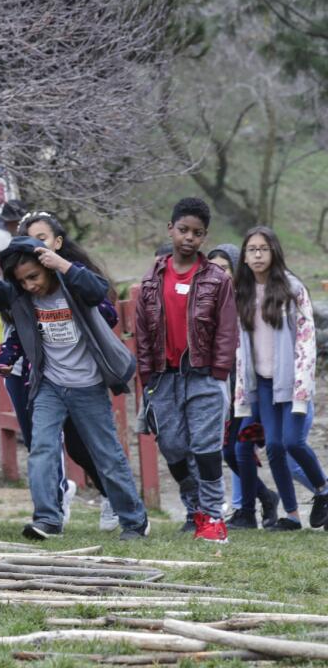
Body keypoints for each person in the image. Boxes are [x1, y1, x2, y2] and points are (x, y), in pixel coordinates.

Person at [0, 237, 149, 541]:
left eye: (34, 277)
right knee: (42, 449)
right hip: (48, 384)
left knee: (106, 454)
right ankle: (48, 519)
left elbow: (99, 291)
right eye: (23, 280)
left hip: (88, 385)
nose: (30, 285)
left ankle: (134, 520)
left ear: (48, 268)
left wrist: (63, 265)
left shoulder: (73, 283)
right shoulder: (21, 296)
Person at [6, 212, 119, 531]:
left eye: (42, 238)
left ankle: (116, 498)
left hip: (84, 378)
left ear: (57, 242)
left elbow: (107, 313)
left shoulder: (77, 276)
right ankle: (49, 512)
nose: (35, 244)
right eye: (29, 238)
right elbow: (12, 321)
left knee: (83, 446)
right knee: (41, 444)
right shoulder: (24, 279)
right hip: (42, 377)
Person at [134, 197, 237, 544]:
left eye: (197, 233)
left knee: (206, 447)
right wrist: (147, 376)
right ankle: (195, 505)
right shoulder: (151, 280)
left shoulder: (217, 279)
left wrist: (219, 373)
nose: (189, 238)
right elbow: (143, 333)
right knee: (174, 446)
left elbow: (227, 329)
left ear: (204, 237)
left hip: (204, 375)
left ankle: (212, 518)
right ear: (171, 229)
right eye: (183, 230)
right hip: (164, 378)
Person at [231, 226, 328, 531]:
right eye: (252, 249)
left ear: (274, 253)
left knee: (292, 441)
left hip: (292, 381)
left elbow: (306, 340)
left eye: (263, 249)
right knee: (273, 446)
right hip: (262, 383)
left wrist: (301, 388)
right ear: (244, 257)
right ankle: (292, 515)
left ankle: (324, 491)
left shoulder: (292, 289)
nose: (258, 255)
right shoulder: (241, 292)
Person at [207, 244, 281, 530]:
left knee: (243, 447)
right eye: (212, 269)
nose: (218, 274)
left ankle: (249, 510)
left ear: (237, 270)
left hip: (252, 389)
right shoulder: (211, 302)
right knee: (229, 451)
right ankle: (264, 498)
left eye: (224, 268)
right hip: (226, 390)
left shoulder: (247, 303)